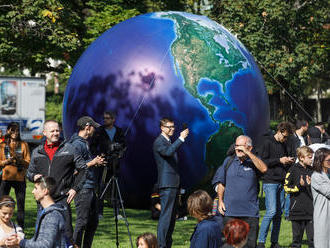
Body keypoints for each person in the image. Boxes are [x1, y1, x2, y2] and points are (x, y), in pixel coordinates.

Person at [26, 120, 92, 241]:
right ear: (44, 132)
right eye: (52, 131)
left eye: (57, 130)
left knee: (65, 235)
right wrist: (33, 176)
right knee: (43, 235)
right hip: (43, 201)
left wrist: (75, 188)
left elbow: (83, 169)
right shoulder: (37, 152)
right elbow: (29, 173)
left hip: (62, 199)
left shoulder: (70, 149)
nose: (56, 133)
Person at [212, 135, 267, 248]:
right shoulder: (229, 161)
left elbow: (264, 169)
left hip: (250, 213)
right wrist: (221, 201)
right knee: (228, 245)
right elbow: (221, 183)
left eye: (241, 146)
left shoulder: (254, 161)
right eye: (236, 146)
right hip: (230, 212)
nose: (237, 149)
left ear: (249, 148)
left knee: (249, 245)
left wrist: (249, 154)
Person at [69, 116, 105, 248]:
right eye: (93, 127)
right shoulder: (76, 144)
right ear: (87, 127)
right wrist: (93, 162)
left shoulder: (84, 142)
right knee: (82, 222)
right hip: (82, 188)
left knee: (93, 222)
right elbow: (73, 169)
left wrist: (95, 162)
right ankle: (75, 246)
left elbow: (83, 164)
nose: (94, 130)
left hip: (90, 186)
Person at [257, 122, 294, 248]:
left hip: (281, 180)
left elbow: (282, 161)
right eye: (284, 136)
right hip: (270, 181)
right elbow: (262, 161)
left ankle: (274, 242)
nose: (285, 139)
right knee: (271, 211)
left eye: (287, 137)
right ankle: (261, 241)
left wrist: (288, 160)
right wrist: (279, 160)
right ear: (279, 131)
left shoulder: (285, 144)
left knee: (279, 214)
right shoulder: (267, 142)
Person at [153, 117, 189, 248]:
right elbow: (168, 153)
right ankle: (161, 245)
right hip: (167, 185)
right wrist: (181, 138)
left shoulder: (168, 141)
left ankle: (167, 243)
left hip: (173, 184)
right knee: (166, 217)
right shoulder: (159, 142)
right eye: (169, 127)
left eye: (173, 127)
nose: (172, 129)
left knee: (172, 217)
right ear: (162, 128)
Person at [6, 176, 67, 247]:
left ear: (45, 191)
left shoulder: (52, 215)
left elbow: (45, 245)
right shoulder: (44, 211)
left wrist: (21, 242)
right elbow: (38, 240)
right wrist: (19, 240)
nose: (32, 191)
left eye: (36, 188)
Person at [89, 111, 126, 218]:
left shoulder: (119, 131)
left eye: (108, 118)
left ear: (113, 119)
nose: (105, 120)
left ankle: (117, 212)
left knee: (116, 186)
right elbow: (92, 146)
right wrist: (99, 155)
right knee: (101, 187)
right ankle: (99, 212)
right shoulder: (99, 131)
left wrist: (119, 154)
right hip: (103, 163)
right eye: (104, 118)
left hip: (115, 163)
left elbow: (124, 145)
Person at [0, 122, 30, 229]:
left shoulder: (23, 144)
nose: (15, 132)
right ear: (8, 131)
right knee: (2, 203)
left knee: (21, 206)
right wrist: (6, 161)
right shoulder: (3, 145)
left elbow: (28, 162)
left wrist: (20, 160)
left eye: (17, 130)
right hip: (6, 178)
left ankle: (20, 229)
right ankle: (2, 227)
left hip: (20, 178)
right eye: (12, 130)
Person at [284, 146, 314, 248]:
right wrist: (298, 186)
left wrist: (309, 185)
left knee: (312, 239)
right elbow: (286, 188)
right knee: (296, 240)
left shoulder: (312, 170)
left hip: (310, 211)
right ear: (301, 157)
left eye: (312, 157)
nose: (311, 159)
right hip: (296, 211)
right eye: (309, 157)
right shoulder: (292, 170)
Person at [311, 148, 330, 248]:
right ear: (320, 160)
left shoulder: (328, 174)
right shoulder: (317, 176)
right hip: (323, 215)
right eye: (328, 160)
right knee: (323, 243)